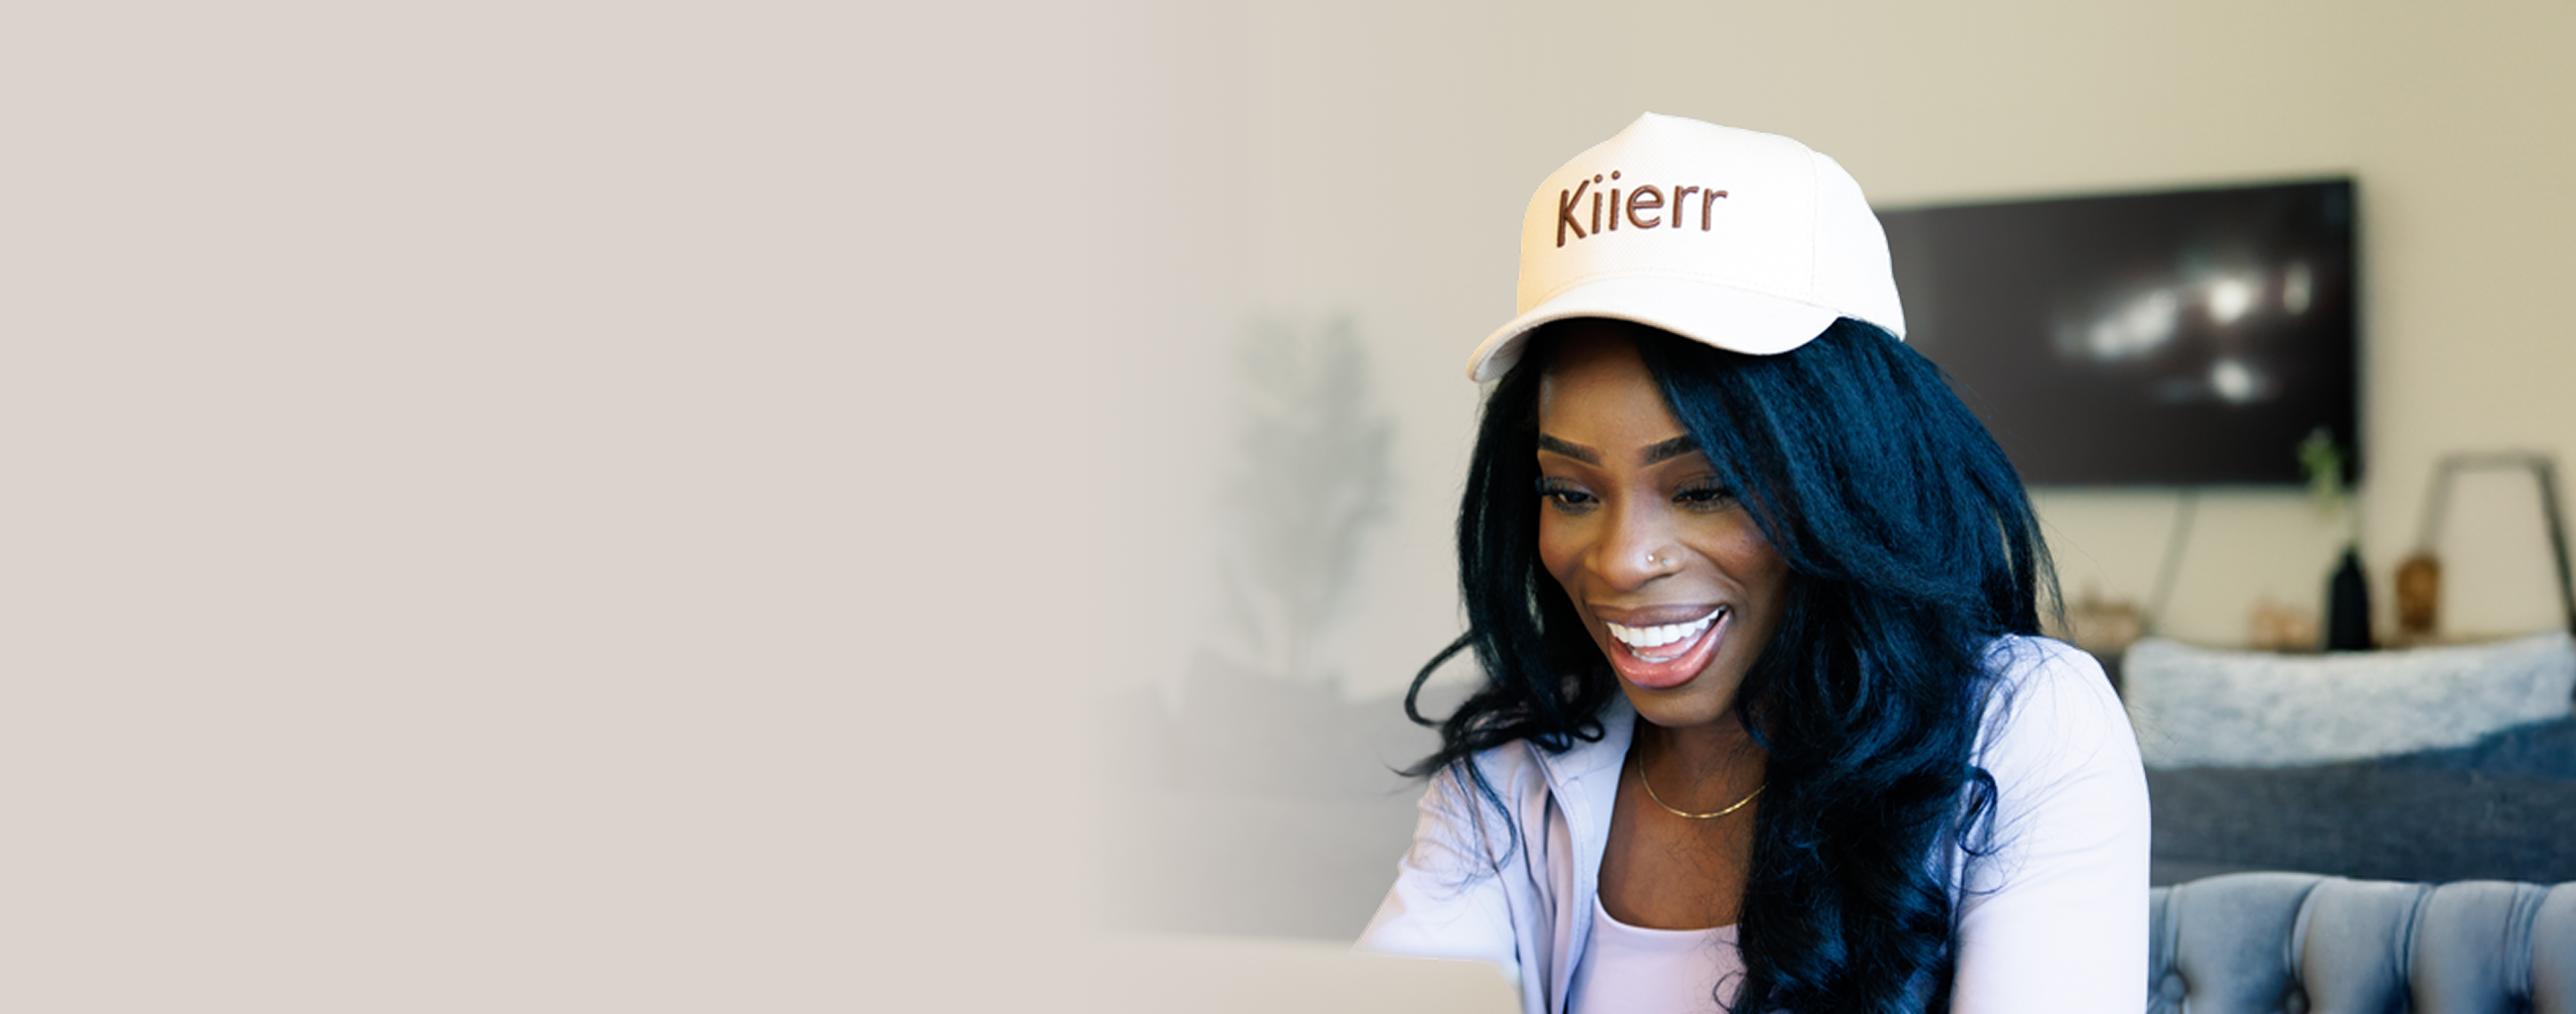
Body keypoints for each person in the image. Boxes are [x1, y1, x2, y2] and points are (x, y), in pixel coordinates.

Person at [1355, 113, 2150, 1014]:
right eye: (1571, 492)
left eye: (1705, 489)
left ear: (1850, 480)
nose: (1622, 560)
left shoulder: (2024, 726)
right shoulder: (1510, 776)